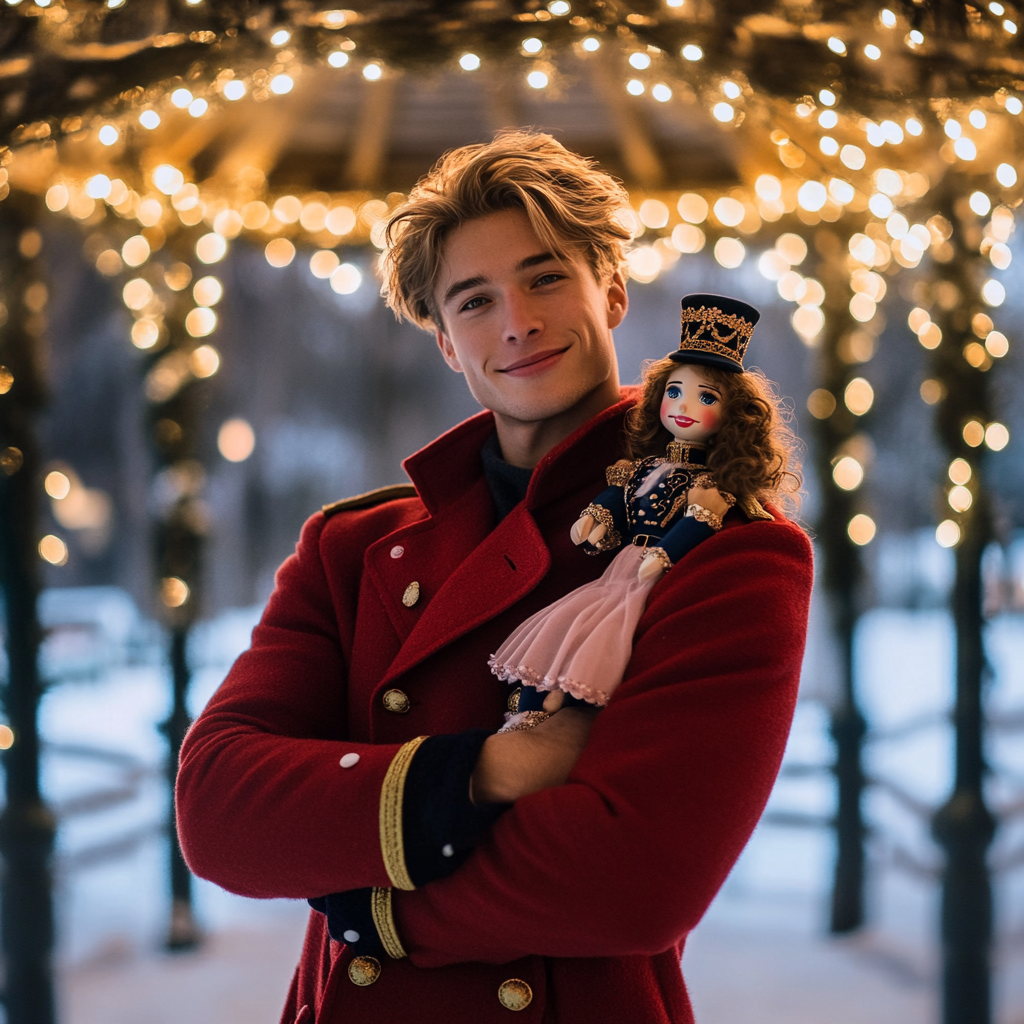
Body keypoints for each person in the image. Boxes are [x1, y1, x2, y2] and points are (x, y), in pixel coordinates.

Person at [176, 130, 814, 1024]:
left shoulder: (723, 546)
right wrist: (486, 772)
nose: (515, 321)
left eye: (547, 277)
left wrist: (378, 911)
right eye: (475, 301)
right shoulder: (352, 548)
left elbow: (635, 878)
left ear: (613, 293)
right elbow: (218, 808)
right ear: (445, 343)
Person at [490, 293, 801, 723]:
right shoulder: (642, 467)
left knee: (603, 642)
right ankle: (532, 705)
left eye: (706, 398)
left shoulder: (710, 486)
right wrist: (596, 517)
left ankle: (558, 708)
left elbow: (697, 523)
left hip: (651, 575)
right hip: (619, 569)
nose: (685, 406)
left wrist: (666, 553)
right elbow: (618, 498)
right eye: (675, 392)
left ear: (733, 416)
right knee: (570, 628)